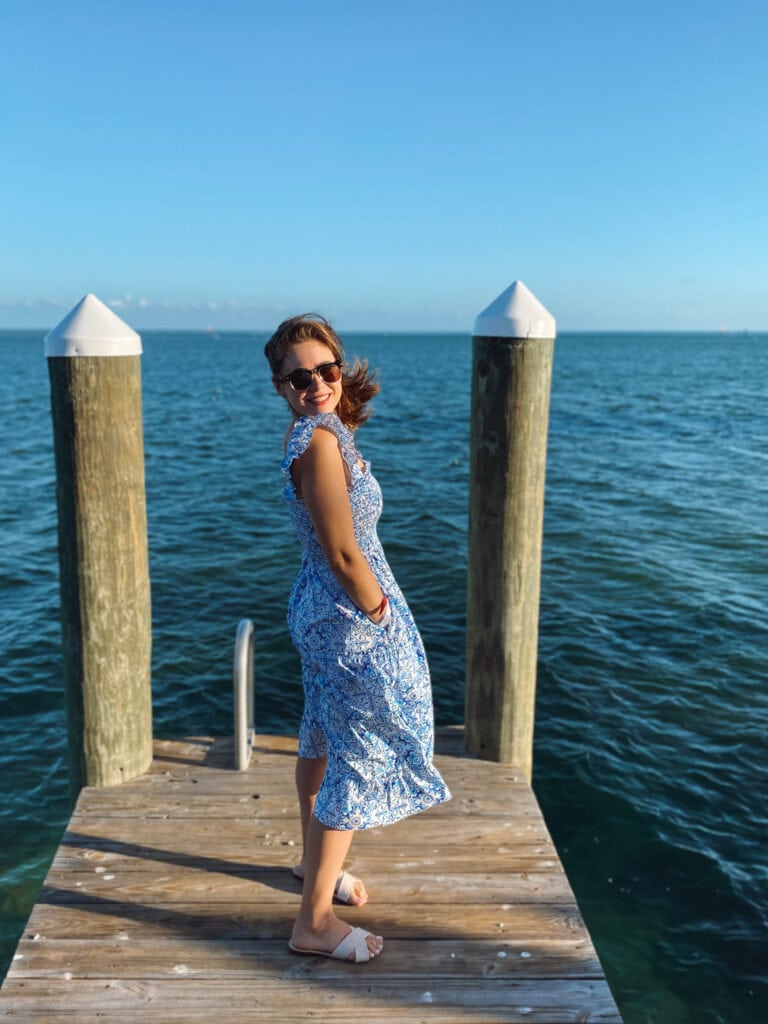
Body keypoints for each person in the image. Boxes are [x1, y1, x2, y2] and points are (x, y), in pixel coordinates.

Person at [264, 314, 450, 964]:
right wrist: (379, 612)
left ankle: (314, 869)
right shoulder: (317, 440)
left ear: (339, 369)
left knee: (321, 735)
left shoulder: (320, 431)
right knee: (359, 751)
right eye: (299, 377)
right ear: (282, 387)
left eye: (326, 370)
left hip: (323, 609)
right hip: (347, 613)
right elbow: (344, 551)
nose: (316, 384)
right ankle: (313, 921)